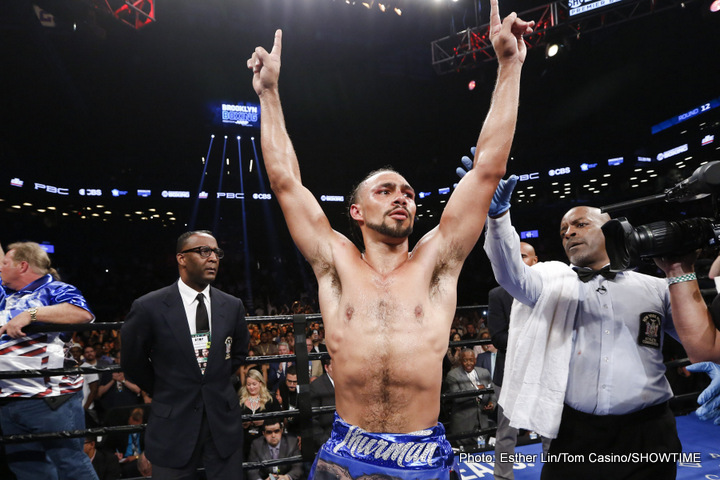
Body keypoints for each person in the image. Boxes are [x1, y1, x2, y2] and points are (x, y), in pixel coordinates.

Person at [247, 2, 532, 476]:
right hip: (346, 452)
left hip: (419, 457)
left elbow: (487, 170)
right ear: (356, 211)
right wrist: (270, 94)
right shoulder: (335, 261)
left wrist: (508, 65)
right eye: (385, 191)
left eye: (408, 193)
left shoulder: (436, 261)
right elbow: (285, 183)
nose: (401, 198)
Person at [483, 179, 683, 478]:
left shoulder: (656, 287)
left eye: (580, 224)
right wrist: (498, 219)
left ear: (612, 228)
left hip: (648, 431)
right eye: (563, 230)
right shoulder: (550, 281)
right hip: (576, 433)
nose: (569, 233)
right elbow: (510, 272)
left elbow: (693, 337)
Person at [121, 230, 249, 479]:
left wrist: (213, 379)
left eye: (216, 252)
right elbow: (132, 362)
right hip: (172, 422)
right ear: (181, 258)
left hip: (222, 422)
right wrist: (167, 388)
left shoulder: (232, 305)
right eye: (204, 251)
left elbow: (239, 354)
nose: (213, 258)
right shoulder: (148, 307)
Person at [0, 241, 99, 480]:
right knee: (27, 468)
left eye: (5, 263)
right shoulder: (5, 294)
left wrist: (31, 314)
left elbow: (82, 314)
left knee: (70, 464)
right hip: (8, 398)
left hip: (48, 398)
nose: (0, 268)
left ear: (22, 266)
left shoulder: (54, 289)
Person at [486, 241, 550, 480]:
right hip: (510, 375)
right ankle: (502, 477)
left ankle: (553, 473)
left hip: (543, 372)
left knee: (549, 428)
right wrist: (533, 335)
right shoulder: (498, 294)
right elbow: (498, 337)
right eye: (516, 256)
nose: (519, 259)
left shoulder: (548, 291)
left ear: (535, 261)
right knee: (506, 432)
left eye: (524, 256)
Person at [444, 348, 495, 449]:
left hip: (483, 422)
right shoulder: (453, 375)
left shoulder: (484, 372)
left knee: (483, 454)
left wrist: (492, 403)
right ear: (460, 360)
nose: (468, 363)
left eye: (471, 359)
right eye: (465, 360)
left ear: (475, 360)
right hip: (463, 425)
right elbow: (456, 397)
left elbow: (492, 392)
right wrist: (477, 389)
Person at [240, 368, 282, 456]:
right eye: (248, 384)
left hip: (265, 442)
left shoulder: (270, 400)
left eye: (254, 384)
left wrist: (264, 422)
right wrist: (242, 423)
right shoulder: (240, 401)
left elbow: (279, 419)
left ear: (260, 383)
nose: (251, 387)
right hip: (244, 444)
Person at [309, 356, 336, 453]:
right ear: (326, 367)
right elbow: (312, 419)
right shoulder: (316, 387)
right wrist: (325, 443)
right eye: (334, 366)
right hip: (326, 441)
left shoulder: (347, 383)